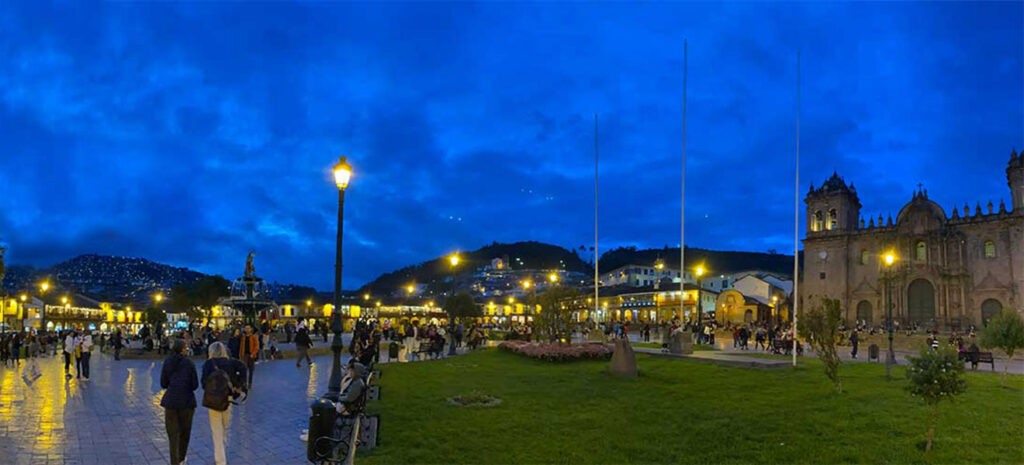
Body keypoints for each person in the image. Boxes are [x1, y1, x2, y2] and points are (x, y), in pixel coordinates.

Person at [202, 342, 247, 465]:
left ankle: (220, 460)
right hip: (228, 398)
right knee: (225, 426)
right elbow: (243, 367)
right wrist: (239, 384)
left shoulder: (208, 364)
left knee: (216, 429)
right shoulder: (231, 362)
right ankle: (222, 448)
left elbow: (203, 382)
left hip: (213, 400)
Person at [160, 339, 198, 465]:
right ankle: (181, 459)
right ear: (182, 349)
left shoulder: (167, 361)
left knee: (173, 436)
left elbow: (163, 383)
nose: (186, 349)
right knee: (184, 433)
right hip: (186, 402)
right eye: (185, 347)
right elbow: (195, 384)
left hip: (170, 402)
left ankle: (174, 462)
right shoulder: (189, 363)